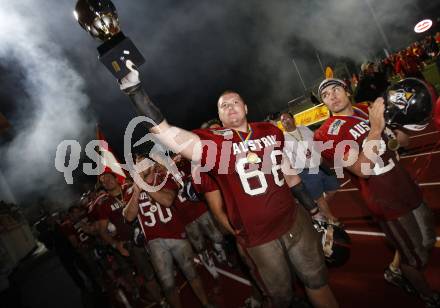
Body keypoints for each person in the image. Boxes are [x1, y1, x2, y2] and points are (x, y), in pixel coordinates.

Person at [117, 61, 338, 308]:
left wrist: (314, 209)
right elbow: (168, 134)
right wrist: (135, 91)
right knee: (282, 298)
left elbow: (291, 176)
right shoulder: (215, 145)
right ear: (220, 117)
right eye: (224, 106)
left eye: (235, 102)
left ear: (245, 107)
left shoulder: (269, 131)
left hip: (293, 219)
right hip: (259, 237)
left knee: (317, 281)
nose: (230, 107)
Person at [314, 78, 438, 307]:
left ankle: (394, 267)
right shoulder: (325, 134)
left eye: (336, 89)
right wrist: (377, 128)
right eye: (325, 95)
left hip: (405, 185)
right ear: (324, 103)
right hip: (384, 199)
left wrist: (402, 121)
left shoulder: (365, 110)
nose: (332, 95)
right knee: (415, 257)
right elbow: (363, 169)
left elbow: (403, 143)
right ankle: (427, 296)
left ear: (347, 91)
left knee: (428, 239)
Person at [123, 156, 213, 308]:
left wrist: (145, 186)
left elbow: (168, 200)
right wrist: (137, 192)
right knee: (168, 284)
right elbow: (129, 216)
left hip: (176, 234)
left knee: (191, 273)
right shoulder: (130, 189)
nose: (141, 167)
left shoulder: (164, 177)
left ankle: (205, 303)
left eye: (144, 164)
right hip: (154, 240)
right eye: (137, 166)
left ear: (151, 165)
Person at [96, 171, 164, 306]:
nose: (107, 182)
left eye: (109, 178)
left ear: (116, 178)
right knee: (147, 274)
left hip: (150, 234)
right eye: (104, 182)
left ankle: (167, 291)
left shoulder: (130, 189)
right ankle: (162, 301)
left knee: (161, 266)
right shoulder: (104, 204)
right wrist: (116, 245)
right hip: (131, 243)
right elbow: (102, 231)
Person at [279, 112, 340, 224]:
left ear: (293, 119)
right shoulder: (283, 138)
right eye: (283, 120)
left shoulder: (304, 129)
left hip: (321, 165)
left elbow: (316, 140)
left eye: (288, 118)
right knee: (319, 197)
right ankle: (332, 220)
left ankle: (318, 207)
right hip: (306, 172)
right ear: (281, 124)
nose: (286, 121)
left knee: (333, 188)